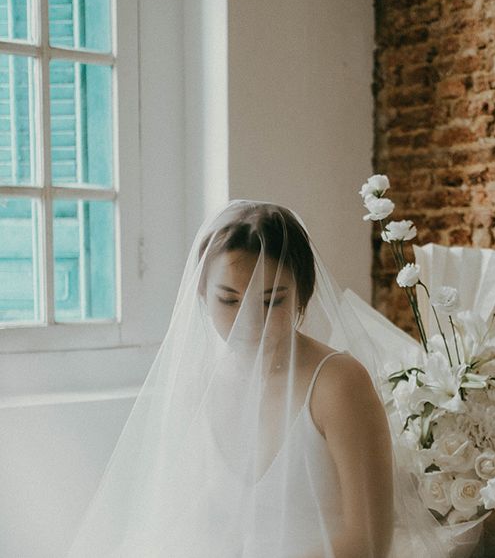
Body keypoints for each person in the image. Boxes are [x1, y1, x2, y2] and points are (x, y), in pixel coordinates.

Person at [65, 201, 447, 557]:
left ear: (303, 292)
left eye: (271, 301)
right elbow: (193, 515)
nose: (250, 322)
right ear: (201, 293)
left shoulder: (338, 384)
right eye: (228, 300)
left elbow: (368, 541)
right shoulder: (202, 383)